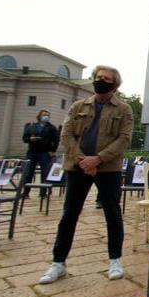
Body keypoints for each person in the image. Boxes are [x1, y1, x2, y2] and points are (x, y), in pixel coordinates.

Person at [39, 65, 133, 284]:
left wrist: (98, 159)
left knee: (112, 213)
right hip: (78, 166)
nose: (101, 80)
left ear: (115, 83)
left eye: (106, 78)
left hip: (108, 167)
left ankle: (115, 260)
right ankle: (58, 262)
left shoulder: (123, 109)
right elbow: (67, 134)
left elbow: (124, 139)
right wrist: (83, 160)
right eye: (98, 77)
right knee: (69, 214)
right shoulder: (78, 105)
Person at [21, 110, 59, 199]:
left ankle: (43, 193)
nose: (46, 117)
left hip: (45, 152)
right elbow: (25, 138)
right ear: (39, 116)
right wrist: (30, 139)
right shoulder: (32, 126)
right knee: (28, 173)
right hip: (32, 151)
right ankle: (25, 193)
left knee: (45, 173)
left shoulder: (51, 127)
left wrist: (53, 150)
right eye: (44, 115)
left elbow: (56, 140)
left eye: (48, 115)